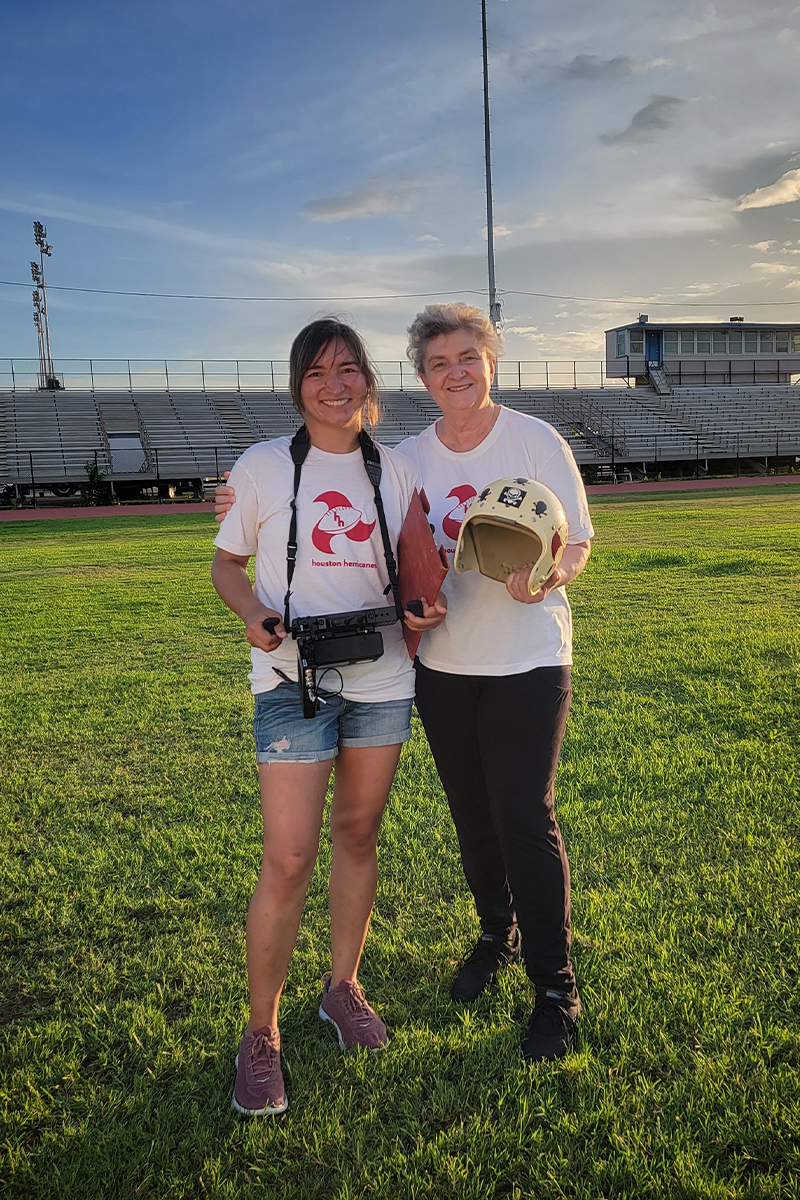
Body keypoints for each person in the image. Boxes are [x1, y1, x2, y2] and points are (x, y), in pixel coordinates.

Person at [216, 303, 594, 1063]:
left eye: (467, 358)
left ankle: (554, 987)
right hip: (437, 666)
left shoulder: (530, 440)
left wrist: (553, 573)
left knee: (519, 813)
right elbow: (393, 545)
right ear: (421, 377)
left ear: (491, 361)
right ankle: (495, 937)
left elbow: (576, 541)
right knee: (467, 818)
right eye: (438, 362)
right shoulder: (407, 458)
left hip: (512, 658)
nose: (455, 372)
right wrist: (234, 508)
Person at [211, 317, 445, 1116]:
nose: (334, 383)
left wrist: (423, 605)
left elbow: (421, 560)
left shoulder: (400, 467)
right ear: (297, 386)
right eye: (317, 372)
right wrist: (251, 613)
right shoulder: (263, 466)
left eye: (348, 369)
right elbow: (225, 563)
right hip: (289, 679)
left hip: (383, 678)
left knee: (357, 834)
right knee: (287, 857)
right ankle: (261, 1033)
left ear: (368, 383)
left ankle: (342, 987)